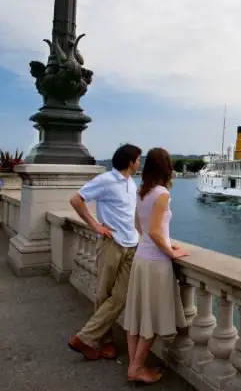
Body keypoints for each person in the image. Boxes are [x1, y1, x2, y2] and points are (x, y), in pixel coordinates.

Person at [67, 143, 143, 360]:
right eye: (138, 159)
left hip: (132, 244)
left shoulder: (131, 183)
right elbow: (76, 200)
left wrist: (144, 237)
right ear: (130, 162)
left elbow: (133, 215)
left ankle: (85, 337)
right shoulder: (106, 180)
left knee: (121, 296)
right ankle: (104, 340)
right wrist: (95, 226)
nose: (139, 163)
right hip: (111, 243)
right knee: (104, 293)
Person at [124, 147, 189, 384]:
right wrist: (171, 251)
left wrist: (160, 241)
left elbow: (138, 226)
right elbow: (154, 231)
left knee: (137, 315)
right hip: (156, 262)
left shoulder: (141, 191)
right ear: (166, 168)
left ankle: (134, 365)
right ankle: (136, 368)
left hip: (141, 258)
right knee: (152, 315)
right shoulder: (162, 194)